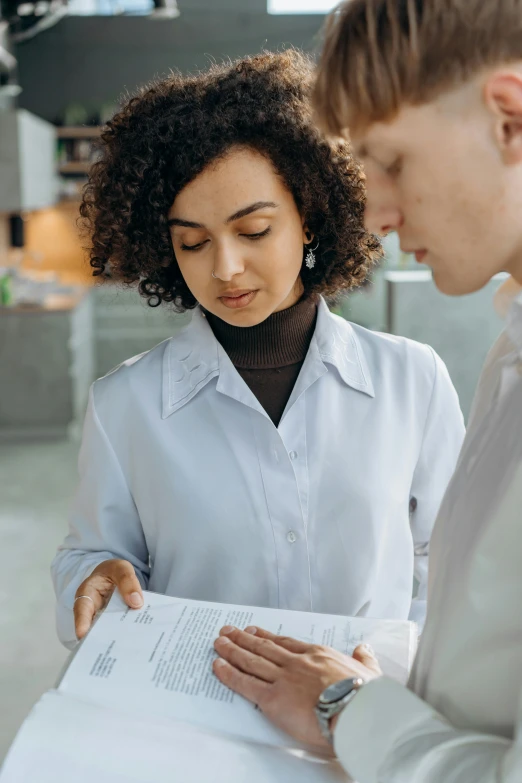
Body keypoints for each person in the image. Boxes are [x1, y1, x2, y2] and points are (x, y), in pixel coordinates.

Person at [52, 50, 464, 650]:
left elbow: (453, 560)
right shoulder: (124, 404)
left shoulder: (412, 379)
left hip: (367, 721)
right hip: (194, 718)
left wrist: (390, 678)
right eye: (192, 243)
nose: (225, 268)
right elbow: (91, 558)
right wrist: (92, 581)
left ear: (311, 216)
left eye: (254, 232)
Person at [212, 3, 522, 782]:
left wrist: (347, 709)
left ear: (509, 119)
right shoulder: (508, 343)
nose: (378, 214)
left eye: (393, 161)